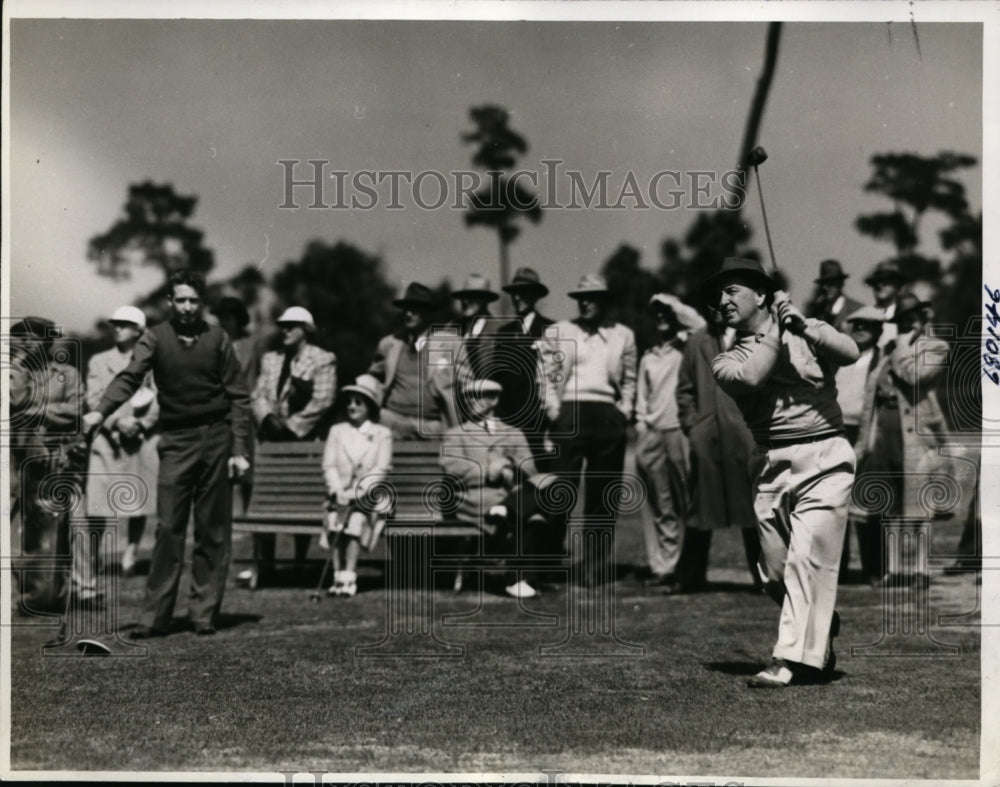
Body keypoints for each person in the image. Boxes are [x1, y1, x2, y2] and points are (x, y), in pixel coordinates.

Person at [706, 257, 859, 688]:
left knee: (803, 560)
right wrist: (778, 327)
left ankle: (785, 661)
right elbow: (754, 377)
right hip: (772, 465)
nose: (723, 301)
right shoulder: (726, 360)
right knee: (773, 573)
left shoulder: (806, 328)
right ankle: (821, 626)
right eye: (720, 295)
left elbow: (851, 351)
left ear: (761, 295)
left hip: (827, 457)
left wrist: (805, 327)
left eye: (732, 291)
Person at [82, 270, 251, 638]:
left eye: (194, 300)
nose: (188, 307)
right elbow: (129, 377)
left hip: (217, 439)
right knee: (169, 528)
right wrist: (101, 411)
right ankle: (153, 618)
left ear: (201, 303)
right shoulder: (154, 338)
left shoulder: (219, 339)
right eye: (181, 300)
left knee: (212, 530)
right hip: (176, 440)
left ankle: (203, 613)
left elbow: (238, 396)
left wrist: (239, 449)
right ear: (170, 302)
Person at [539, 273, 637, 584]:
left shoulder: (623, 335)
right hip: (569, 414)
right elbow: (548, 374)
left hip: (608, 416)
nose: (585, 303)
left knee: (602, 496)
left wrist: (623, 411)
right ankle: (550, 562)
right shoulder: (559, 331)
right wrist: (554, 411)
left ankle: (593, 567)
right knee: (560, 492)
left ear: (605, 301)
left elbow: (630, 380)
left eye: (592, 297)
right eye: (581, 298)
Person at [854, 292, 949, 590]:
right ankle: (893, 570)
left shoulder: (935, 347)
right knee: (891, 509)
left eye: (912, 320)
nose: (907, 325)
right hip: (886, 433)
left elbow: (915, 377)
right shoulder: (891, 351)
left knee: (920, 511)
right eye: (902, 321)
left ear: (923, 320)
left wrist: (901, 350)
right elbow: (872, 394)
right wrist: (864, 440)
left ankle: (921, 570)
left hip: (917, 438)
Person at [244, 306, 336, 585]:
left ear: (305, 329)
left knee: (303, 499)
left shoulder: (322, 359)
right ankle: (266, 563)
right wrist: (267, 417)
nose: (285, 330)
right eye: (283, 325)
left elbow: (324, 399)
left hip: (303, 441)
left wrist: (293, 426)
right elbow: (258, 393)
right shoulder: (271, 359)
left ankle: (299, 561)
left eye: (292, 325)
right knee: (266, 499)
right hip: (270, 439)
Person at [440, 379, 556, 599]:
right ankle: (518, 579)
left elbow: (530, 471)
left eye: (477, 396)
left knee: (550, 483)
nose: (471, 402)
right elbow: (451, 467)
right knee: (534, 516)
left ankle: (506, 509)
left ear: (494, 400)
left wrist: (509, 465)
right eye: (467, 398)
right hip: (474, 499)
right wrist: (487, 470)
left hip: (509, 495)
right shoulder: (456, 434)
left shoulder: (512, 433)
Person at [674, 310, 763, 595]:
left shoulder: (756, 338)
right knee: (700, 507)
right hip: (708, 437)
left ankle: (765, 580)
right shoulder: (697, 341)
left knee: (755, 509)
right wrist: (694, 428)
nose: (720, 305)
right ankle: (689, 578)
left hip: (745, 436)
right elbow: (685, 390)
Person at [10, 317, 86, 612]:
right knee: (24, 531)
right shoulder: (15, 373)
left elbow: (76, 410)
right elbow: (14, 402)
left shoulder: (66, 374)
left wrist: (38, 410)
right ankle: (30, 595)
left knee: (52, 532)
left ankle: (48, 597)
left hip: (54, 459)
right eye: (21, 339)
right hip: (18, 460)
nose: (26, 343)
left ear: (48, 341)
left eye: (33, 338)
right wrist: (16, 364)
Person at [634, 293, 705, 586]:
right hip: (651, 433)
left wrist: (673, 305)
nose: (661, 317)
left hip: (679, 431)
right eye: (657, 313)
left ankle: (684, 566)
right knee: (657, 501)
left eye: (666, 313)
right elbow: (641, 397)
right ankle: (663, 565)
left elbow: (700, 325)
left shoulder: (688, 346)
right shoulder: (648, 355)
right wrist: (641, 425)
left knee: (684, 500)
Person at [84, 306, 159, 579]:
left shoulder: (152, 359)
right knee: (98, 503)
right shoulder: (99, 361)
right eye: (115, 323)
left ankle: (131, 553)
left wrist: (141, 424)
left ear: (139, 330)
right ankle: (93, 557)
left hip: (140, 439)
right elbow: (93, 398)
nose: (117, 328)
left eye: (125, 324)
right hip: (107, 439)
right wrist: (117, 422)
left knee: (137, 500)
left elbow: (162, 397)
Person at [321, 375, 393, 598]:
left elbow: (381, 469)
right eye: (350, 401)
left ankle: (349, 576)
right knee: (334, 520)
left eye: (358, 402)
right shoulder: (337, 431)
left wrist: (357, 493)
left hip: (370, 496)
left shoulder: (382, 434)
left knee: (355, 519)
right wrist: (337, 491)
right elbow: (329, 464)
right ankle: (337, 575)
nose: (352, 406)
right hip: (340, 493)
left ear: (369, 407)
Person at [833, 306, 886, 586]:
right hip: (837, 431)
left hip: (870, 433)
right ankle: (836, 569)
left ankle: (873, 570)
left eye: (868, 325)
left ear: (878, 331)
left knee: (868, 504)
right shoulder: (839, 356)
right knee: (834, 503)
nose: (861, 329)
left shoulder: (883, 360)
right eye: (857, 324)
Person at [368, 281, 460, 440]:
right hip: (392, 421)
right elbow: (373, 378)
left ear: (427, 313)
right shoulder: (389, 344)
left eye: (415, 310)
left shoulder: (449, 344)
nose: (408, 314)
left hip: (433, 427)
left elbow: (467, 386)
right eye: (406, 309)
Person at [493, 267, 555, 463]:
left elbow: (555, 379)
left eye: (524, 293)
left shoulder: (551, 329)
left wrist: (550, 426)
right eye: (514, 294)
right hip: (510, 424)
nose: (517, 298)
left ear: (535, 296)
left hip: (540, 424)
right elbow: (498, 379)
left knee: (541, 482)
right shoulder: (504, 333)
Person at [806, 259, 863, 334]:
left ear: (841, 284)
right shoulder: (817, 312)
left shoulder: (857, 310)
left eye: (830, 283)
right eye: (823, 283)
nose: (825, 288)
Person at [864, 259, 904, 349]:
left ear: (898, 286)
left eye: (886, 281)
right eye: (876, 281)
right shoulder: (863, 315)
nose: (880, 285)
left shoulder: (904, 319)